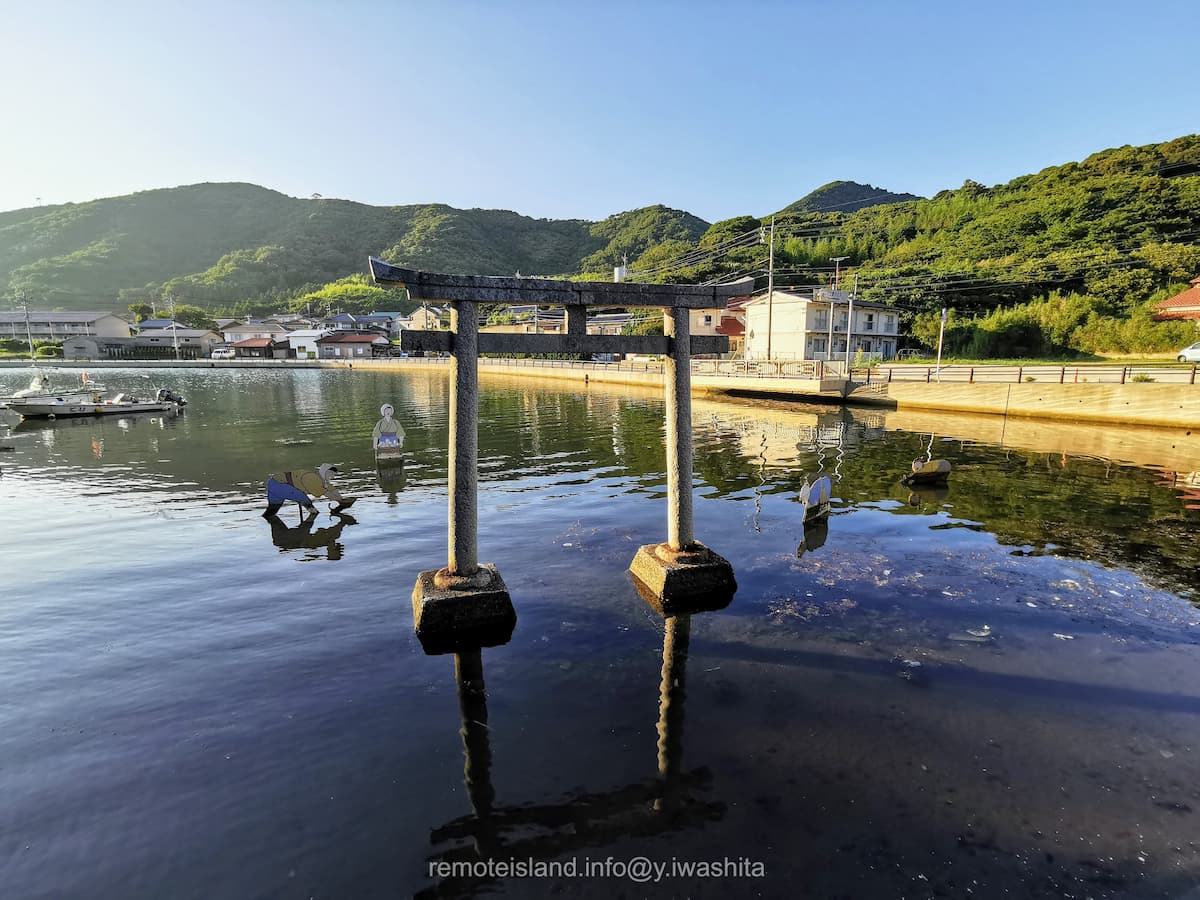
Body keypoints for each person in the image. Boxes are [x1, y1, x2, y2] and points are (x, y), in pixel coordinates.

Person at [264, 463, 354, 516]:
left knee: (271, 512)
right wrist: (341, 502)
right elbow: (325, 493)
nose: (332, 476)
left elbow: (332, 490)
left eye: (333, 474)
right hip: (279, 484)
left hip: (273, 482)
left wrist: (341, 499)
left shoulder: (322, 480)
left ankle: (270, 523)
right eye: (330, 473)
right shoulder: (312, 478)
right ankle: (312, 518)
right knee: (304, 499)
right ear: (324, 472)